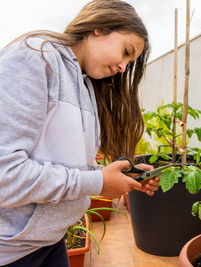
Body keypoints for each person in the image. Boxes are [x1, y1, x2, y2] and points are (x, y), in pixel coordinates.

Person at [0, 0, 159, 266]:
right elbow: (5, 174)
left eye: (129, 62)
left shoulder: (85, 86)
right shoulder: (34, 59)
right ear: (100, 27)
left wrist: (113, 176)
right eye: (126, 51)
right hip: (10, 250)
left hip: (48, 241)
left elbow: (63, 165)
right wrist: (98, 183)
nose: (123, 67)